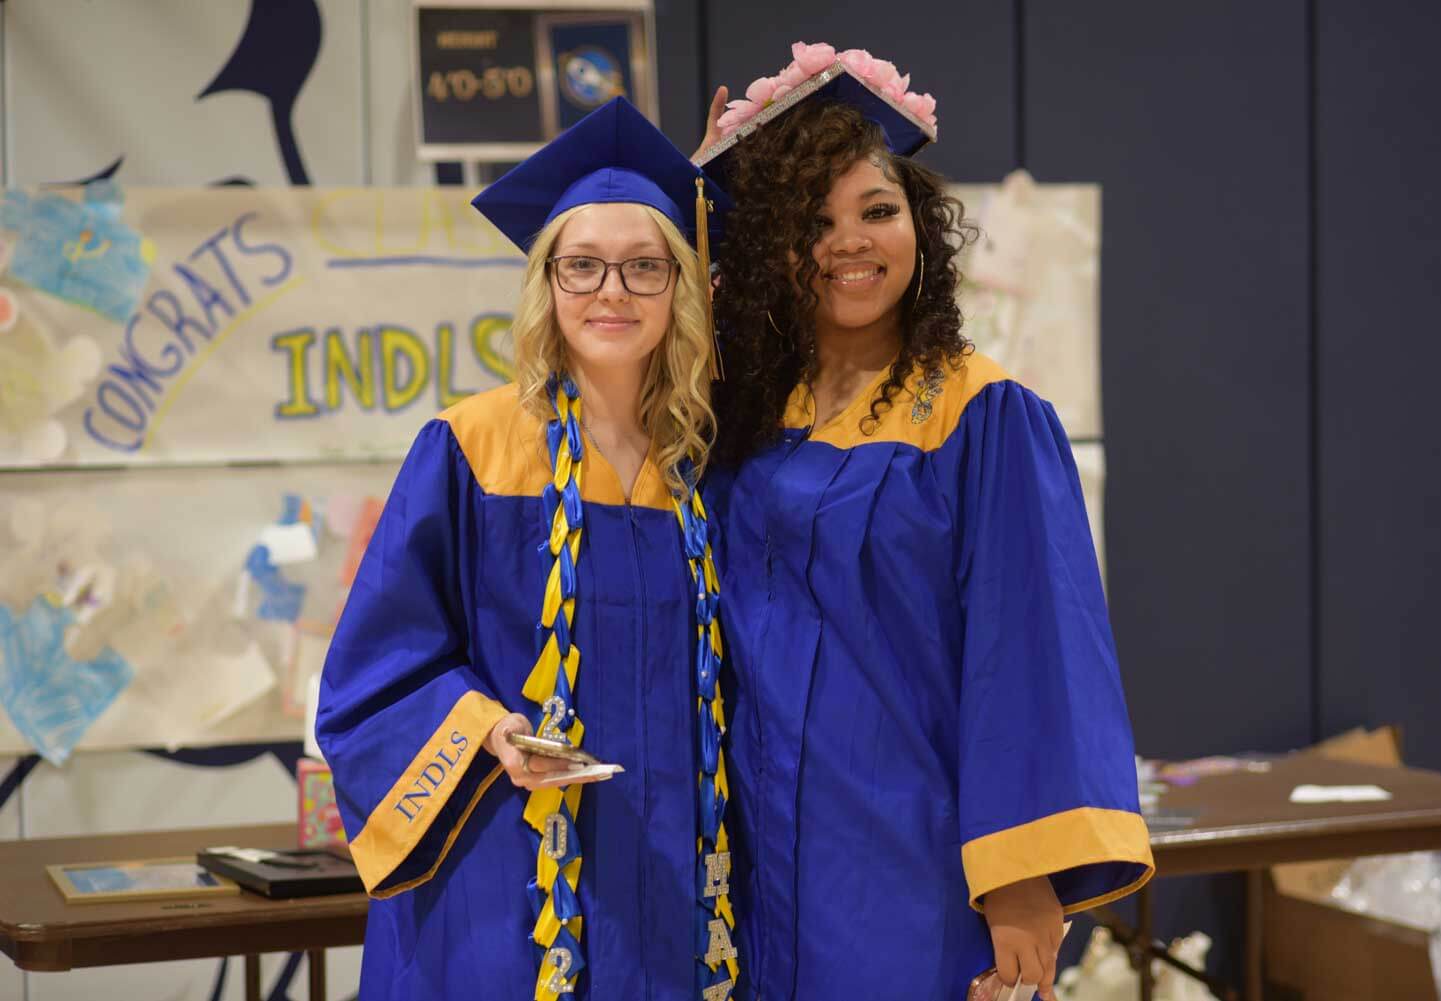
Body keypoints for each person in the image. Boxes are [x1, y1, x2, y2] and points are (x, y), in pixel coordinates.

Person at [695, 48, 1155, 1001]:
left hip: (913, 858)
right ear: (775, 247)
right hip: (756, 861)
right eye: (813, 223)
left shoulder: (980, 416)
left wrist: (1024, 875)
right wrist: (698, 213)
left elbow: (1033, 652)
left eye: (877, 210)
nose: (850, 243)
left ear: (921, 224)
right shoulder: (742, 415)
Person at [317, 98, 741, 1001]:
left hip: (673, 875)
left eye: (643, 266)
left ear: (680, 285)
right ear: (546, 282)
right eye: (581, 265)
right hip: (501, 878)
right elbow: (373, 671)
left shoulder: (705, 463)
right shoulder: (473, 447)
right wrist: (493, 731)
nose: (612, 292)